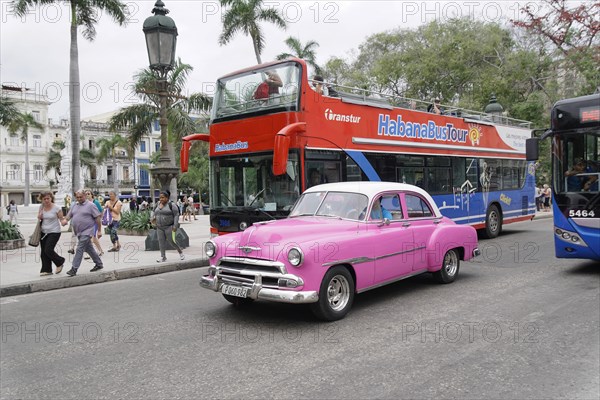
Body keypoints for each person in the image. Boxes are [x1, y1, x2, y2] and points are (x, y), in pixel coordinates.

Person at [62, 190, 104, 276]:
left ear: (85, 196)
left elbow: (98, 218)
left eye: (81, 197)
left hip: (88, 231)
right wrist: (65, 220)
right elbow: (69, 216)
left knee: (79, 248)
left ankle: (74, 269)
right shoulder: (74, 205)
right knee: (89, 248)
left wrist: (99, 231)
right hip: (79, 232)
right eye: (77, 197)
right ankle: (99, 264)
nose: (79, 199)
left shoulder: (91, 205)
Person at [37, 192, 68, 276]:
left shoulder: (57, 208)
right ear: (42, 199)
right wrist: (39, 216)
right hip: (43, 232)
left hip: (54, 232)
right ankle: (46, 270)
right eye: (44, 199)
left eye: (48, 198)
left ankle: (59, 262)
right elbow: (39, 217)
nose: (46, 200)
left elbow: (61, 219)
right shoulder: (41, 207)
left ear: (51, 198)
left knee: (48, 249)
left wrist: (64, 222)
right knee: (43, 252)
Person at [152, 191, 185, 263]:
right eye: (160, 197)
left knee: (172, 242)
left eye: (163, 197)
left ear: (167, 198)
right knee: (161, 242)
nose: (161, 199)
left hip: (169, 227)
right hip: (159, 227)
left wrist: (175, 225)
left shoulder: (171, 205)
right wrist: (151, 217)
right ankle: (163, 257)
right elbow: (153, 211)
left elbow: (176, 214)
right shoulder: (157, 204)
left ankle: (180, 252)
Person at [85, 190, 104, 257]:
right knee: (93, 237)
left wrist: (99, 219)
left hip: (95, 222)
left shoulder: (96, 202)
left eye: (88, 193)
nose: (87, 195)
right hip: (87, 222)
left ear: (91, 195)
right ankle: (100, 250)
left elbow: (101, 211)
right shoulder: (85, 203)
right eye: (86, 194)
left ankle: (90, 253)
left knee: (92, 237)